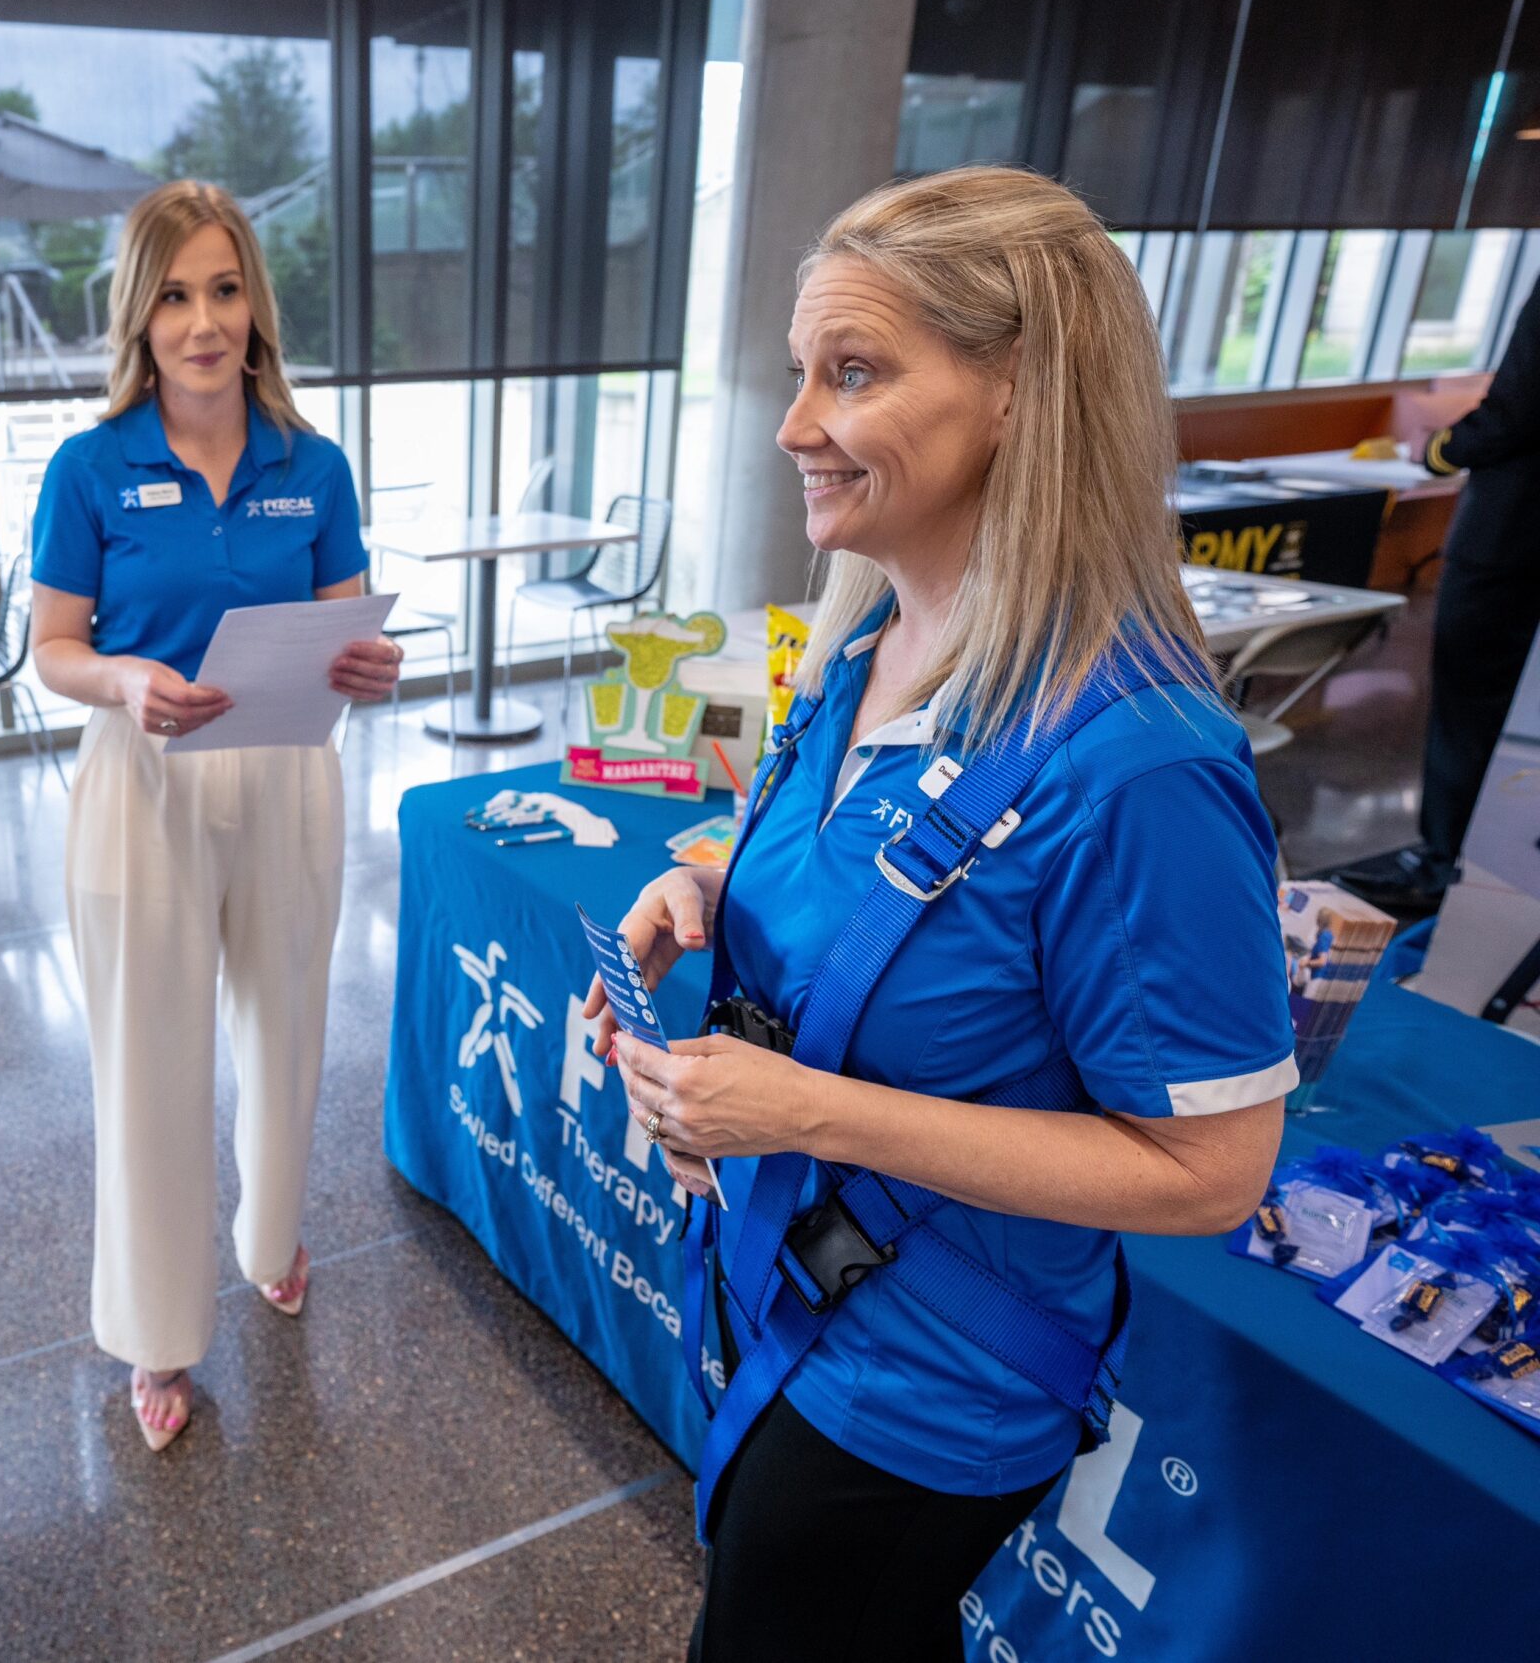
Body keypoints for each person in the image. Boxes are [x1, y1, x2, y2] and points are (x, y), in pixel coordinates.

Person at [588, 167, 1292, 1662]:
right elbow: (863, 883)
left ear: (1021, 391)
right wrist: (701, 889)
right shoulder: (865, 643)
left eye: (852, 373)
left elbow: (1214, 1168)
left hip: (929, 1388)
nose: (792, 427)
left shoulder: (1141, 767)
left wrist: (809, 1108)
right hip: (792, 1301)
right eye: (802, 373)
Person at [30, 181, 403, 1451]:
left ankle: (270, 1232)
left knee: (288, 1026)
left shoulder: (316, 464)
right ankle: (155, 1331)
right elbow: (53, 648)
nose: (204, 321)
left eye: (225, 289)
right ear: (141, 315)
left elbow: (347, 620)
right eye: (176, 294)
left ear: (256, 303)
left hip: (287, 769)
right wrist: (124, 679)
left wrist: (372, 663)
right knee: (149, 1060)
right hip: (144, 779)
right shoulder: (91, 467)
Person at [1338, 287, 1540, 914]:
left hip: (1509, 537)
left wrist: (1439, 449)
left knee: (1470, 707)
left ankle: (1442, 864)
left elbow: (1515, 411)